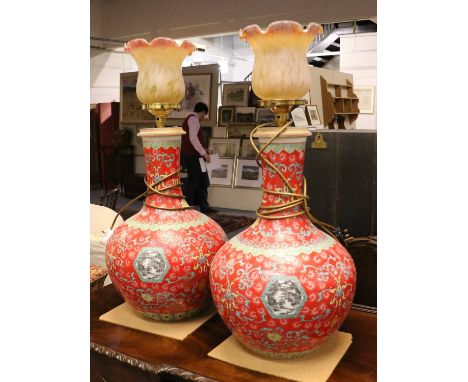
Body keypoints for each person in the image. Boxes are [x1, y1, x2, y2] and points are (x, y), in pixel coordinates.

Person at [181, 102, 218, 213]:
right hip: (192, 157)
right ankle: (188, 207)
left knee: (203, 181)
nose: (203, 118)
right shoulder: (193, 119)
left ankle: (204, 206)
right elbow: (193, 138)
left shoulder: (193, 119)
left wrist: (204, 151)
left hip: (196, 156)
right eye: (204, 115)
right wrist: (204, 153)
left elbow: (194, 139)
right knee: (193, 182)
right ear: (202, 112)